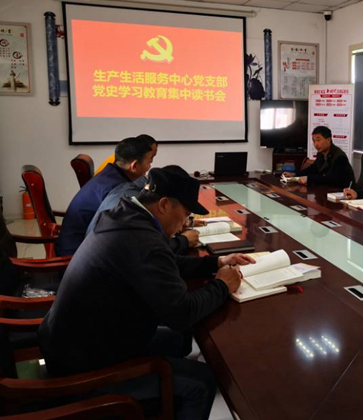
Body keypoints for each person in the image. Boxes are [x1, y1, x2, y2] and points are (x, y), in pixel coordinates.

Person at [38, 166, 254, 420]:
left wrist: (215, 262)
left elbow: (164, 261)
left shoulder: (128, 215)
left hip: (73, 338)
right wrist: (222, 285)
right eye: (185, 214)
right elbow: (182, 313)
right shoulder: (142, 240)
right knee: (202, 383)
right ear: (164, 204)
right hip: (83, 364)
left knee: (179, 339)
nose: (185, 224)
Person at [55, 137, 154, 256]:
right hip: (74, 254)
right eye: (149, 162)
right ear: (134, 165)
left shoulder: (109, 174)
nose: (149, 167)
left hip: (72, 245)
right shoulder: (117, 190)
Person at [283, 126, 355, 188]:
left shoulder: (339, 156)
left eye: (318, 140)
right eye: (314, 141)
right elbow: (313, 168)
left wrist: (309, 179)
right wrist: (295, 174)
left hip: (342, 192)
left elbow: (332, 178)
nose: (316, 144)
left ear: (328, 140)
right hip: (327, 189)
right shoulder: (321, 154)